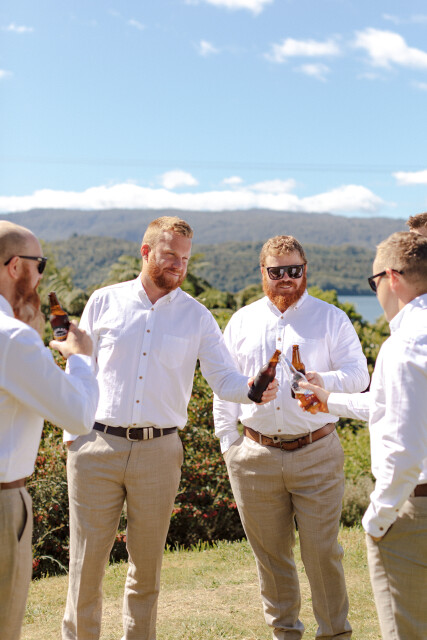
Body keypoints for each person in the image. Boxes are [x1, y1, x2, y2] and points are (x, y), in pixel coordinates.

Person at [61, 215, 277, 640]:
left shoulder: (197, 316)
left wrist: (252, 390)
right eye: (170, 255)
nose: (179, 265)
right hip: (95, 446)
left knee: (146, 569)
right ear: (146, 252)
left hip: (159, 453)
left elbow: (223, 377)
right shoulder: (104, 301)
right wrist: (73, 435)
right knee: (85, 565)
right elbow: (79, 364)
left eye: (185, 258)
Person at [213, 234, 370, 640]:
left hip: (317, 450)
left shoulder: (331, 318)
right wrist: (228, 444)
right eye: (277, 271)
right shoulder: (241, 321)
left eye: (294, 270)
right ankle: (285, 634)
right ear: (263, 272)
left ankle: (335, 634)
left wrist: (324, 379)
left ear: (305, 270)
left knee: (322, 552)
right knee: (271, 557)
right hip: (254, 455)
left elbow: (359, 375)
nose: (286, 278)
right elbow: (224, 385)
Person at [298, 231, 427, 640]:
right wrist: (329, 401)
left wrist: (378, 517)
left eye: (374, 283)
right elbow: (390, 406)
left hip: (415, 510)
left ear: (392, 278)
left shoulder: (404, 344)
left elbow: (404, 448)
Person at [0, 221, 99, 640]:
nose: (41, 276)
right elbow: (78, 415)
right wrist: (80, 358)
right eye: (39, 264)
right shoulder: (12, 338)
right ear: (15, 266)